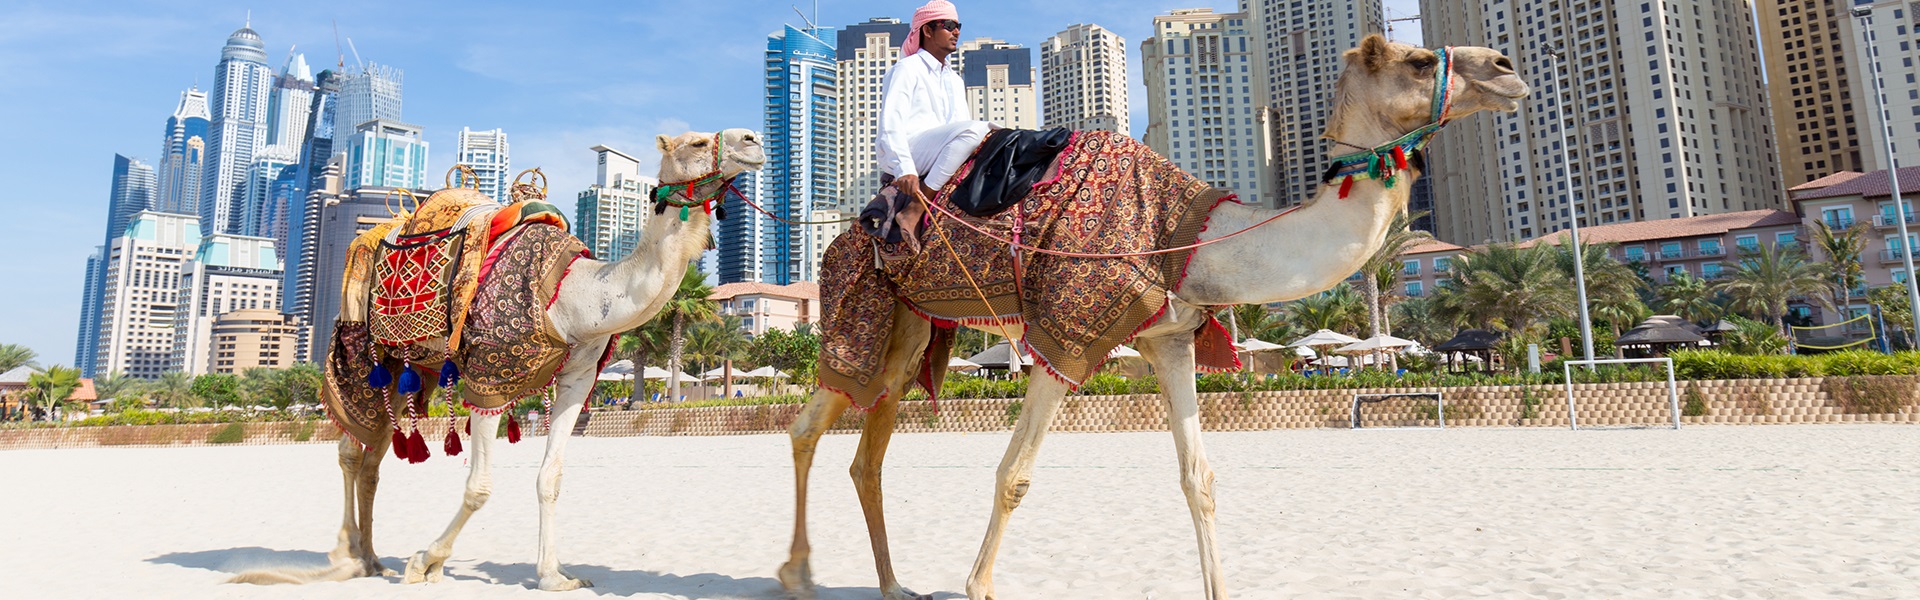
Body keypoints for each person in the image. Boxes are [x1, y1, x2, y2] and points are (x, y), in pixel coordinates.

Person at [878, 0, 992, 209]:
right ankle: (916, 208)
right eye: (948, 25)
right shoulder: (907, 69)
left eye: (958, 26)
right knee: (975, 129)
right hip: (911, 151)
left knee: (994, 135)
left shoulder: (955, 79)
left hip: (943, 151)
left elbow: (959, 128)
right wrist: (905, 169)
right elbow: (891, 125)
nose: (956, 32)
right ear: (928, 31)